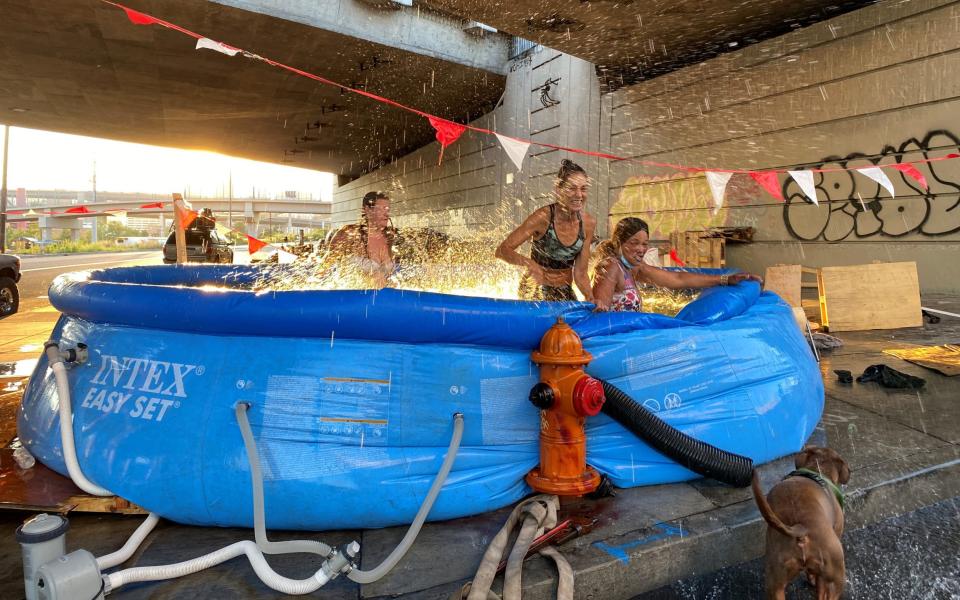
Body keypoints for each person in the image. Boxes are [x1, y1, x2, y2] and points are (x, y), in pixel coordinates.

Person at [592, 217, 762, 312]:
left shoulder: (634, 269)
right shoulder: (610, 267)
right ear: (618, 243)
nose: (641, 249)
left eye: (644, 244)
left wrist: (725, 279)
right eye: (634, 243)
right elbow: (600, 316)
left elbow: (678, 278)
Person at [496, 159, 597, 302]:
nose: (579, 195)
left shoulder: (588, 223)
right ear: (558, 189)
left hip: (564, 290)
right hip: (534, 289)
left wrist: (590, 296)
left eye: (583, 188)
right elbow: (502, 251)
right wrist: (530, 264)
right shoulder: (542, 218)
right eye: (572, 188)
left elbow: (580, 273)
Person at [326, 191, 397, 286]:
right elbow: (325, 266)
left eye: (387, 209)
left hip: (386, 298)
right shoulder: (348, 234)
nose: (386, 214)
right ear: (367, 210)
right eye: (381, 209)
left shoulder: (390, 238)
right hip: (354, 297)